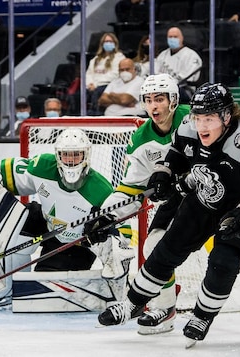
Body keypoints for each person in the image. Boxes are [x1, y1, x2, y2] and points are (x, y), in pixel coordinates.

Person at [96, 83, 240, 346]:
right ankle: (133, 303)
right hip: (204, 199)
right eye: (199, 118)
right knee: (167, 248)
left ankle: (205, 316)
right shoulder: (188, 126)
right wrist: (165, 172)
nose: (202, 126)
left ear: (226, 116)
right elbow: (177, 153)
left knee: (236, 261)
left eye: (209, 119)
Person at [0, 128, 135, 307]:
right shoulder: (43, 166)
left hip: (75, 245)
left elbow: (123, 232)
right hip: (45, 224)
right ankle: (1, 279)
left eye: (76, 154)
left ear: (86, 156)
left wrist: (103, 234)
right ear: (57, 155)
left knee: (42, 285)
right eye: (65, 155)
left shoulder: (101, 190)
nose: (70, 160)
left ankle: (23, 282)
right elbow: (6, 171)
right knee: (18, 215)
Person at [91, 73, 191, 335]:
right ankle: (167, 310)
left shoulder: (194, 119)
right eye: (148, 100)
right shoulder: (141, 139)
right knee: (153, 245)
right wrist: (106, 214)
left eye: (160, 99)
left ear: (173, 101)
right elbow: (131, 187)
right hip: (180, 201)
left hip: (213, 194)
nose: (154, 106)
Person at [155, 27, 203, 103]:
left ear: (182, 38)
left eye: (175, 37)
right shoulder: (163, 55)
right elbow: (155, 73)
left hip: (184, 91)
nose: (172, 39)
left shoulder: (191, 55)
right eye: (170, 37)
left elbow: (188, 79)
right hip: (162, 89)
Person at [86, 33, 126, 115]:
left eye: (110, 41)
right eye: (106, 41)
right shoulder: (96, 59)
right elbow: (89, 74)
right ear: (102, 44)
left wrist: (96, 84)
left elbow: (114, 75)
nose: (108, 43)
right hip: (92, 86)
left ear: (115, 43)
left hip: (108, 85)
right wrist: (90, 84)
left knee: (97, 92)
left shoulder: (119, 57)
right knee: (78, 95)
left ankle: (96, 114)